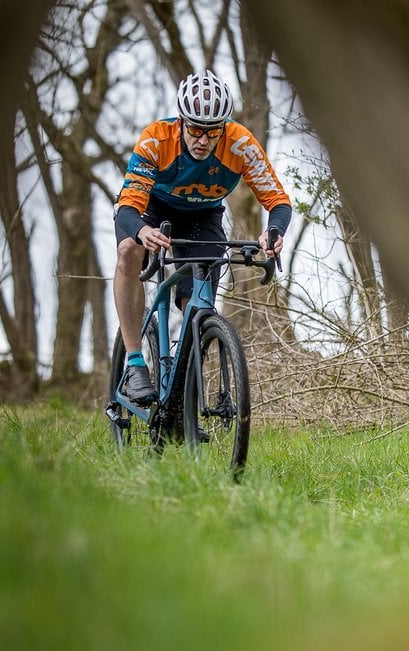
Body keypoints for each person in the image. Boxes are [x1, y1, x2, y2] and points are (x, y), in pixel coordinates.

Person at [113, 69, 293, 403]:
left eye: (212, 132)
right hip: (152, 210)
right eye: (195, 129)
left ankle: (184, 384)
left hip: (203, 215)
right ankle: (135, 363)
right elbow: (127, 208)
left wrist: (273, 231)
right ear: (181, 121)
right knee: (128, 250)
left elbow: (278, 201)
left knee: (197, 306)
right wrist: (142, 230)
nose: (203, 140)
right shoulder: (156, 139)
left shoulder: (239, 143)